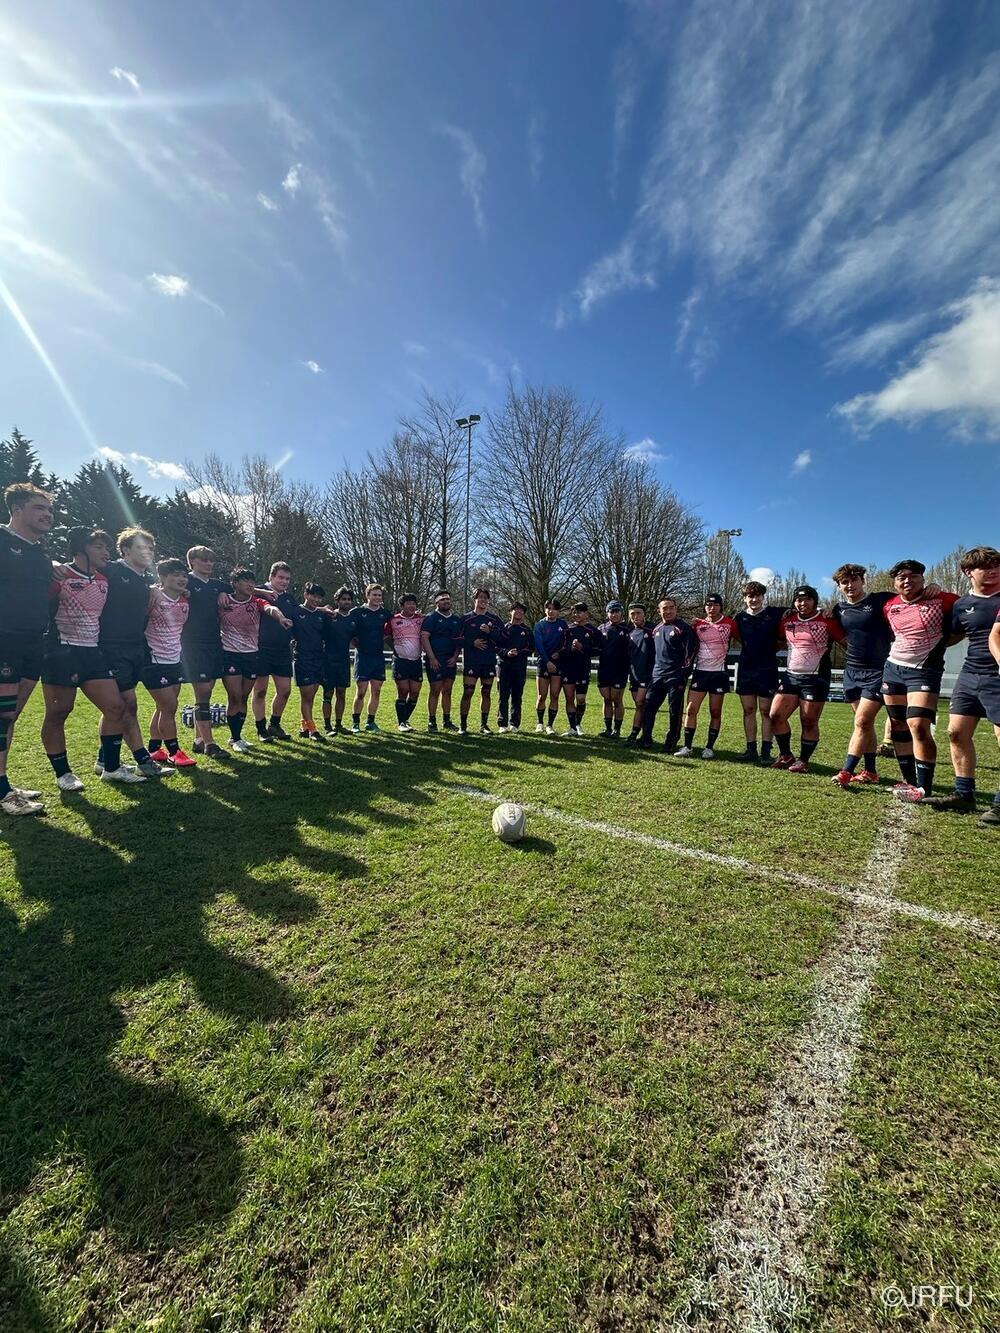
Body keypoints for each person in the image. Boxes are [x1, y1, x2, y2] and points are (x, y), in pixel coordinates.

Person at [40, 528, 136, 790]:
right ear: (81, 549)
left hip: (93, 653)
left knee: (115, 708)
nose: (106, 552)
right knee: (59, 712)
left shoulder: (104, 579)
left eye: (107, 547)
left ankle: (111, 768)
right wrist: (53, 566)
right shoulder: (60, 575)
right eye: (99, 547)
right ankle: (63, 774)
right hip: (61, 652)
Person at [922, 547, 1000, 825]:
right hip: (971, 674)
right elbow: (953, 634)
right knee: (956, 733)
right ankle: (964, 794)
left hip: (997, 676)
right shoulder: (961, 605)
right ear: (968, 572)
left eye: (996, 565)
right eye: (985, 566)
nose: (993, 570)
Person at [93, 527, 173, 779]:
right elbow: (77, 567)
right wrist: (56, 566)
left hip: (136, 647)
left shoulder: (143, 579)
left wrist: (154, 588)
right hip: (111, 648)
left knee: (117, 708)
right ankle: (143, 760)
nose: (147, 552)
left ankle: (104, 760)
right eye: (140, 547)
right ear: (125, 550)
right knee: (126, 705)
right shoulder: (112, 569)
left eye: (150, 548)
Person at [880, 559, 960, 802]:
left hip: (924, 671)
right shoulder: (890, 606)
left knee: (918, 725)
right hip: (893, 669)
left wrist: (937, 646)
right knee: (898, 725)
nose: (907, 581)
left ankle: (925, 786)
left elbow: (961, 629)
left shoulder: (944, 599)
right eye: (901, 577)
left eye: (913, 576)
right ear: (895, 582)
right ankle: (909, 781)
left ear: (923, 579)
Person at [0, 482, 56, 815]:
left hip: (34, 641)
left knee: (10, 716)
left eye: (49, 509)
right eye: (39, 508)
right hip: (4, 640)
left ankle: (2, 782)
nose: (47, 515)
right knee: (1, 716)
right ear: (16, 509)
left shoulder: (41, 554)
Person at [829, 564, 898, 789]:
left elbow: (910, 598)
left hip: (878, 671)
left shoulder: (880, 600)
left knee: (861, 721)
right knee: (865, 724)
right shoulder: (838, 609)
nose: (850, 585)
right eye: (844, 582)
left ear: (863, 581)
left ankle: (847, 771)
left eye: (854, 580)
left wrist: (932, 588)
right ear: (839, 586)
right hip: (852, 672)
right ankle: (870, 771)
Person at [768, 585, 845, 773]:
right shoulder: (787, 620)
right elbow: (778, 642)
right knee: (775, 715)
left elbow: (846, 642)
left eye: (807, 599)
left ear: (815, 601)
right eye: (799, 600)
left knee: (808, 721)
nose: (803, 603)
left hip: (816, 678)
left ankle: (803, 760)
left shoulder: (827, 620)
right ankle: (786, 755)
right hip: (791, 676)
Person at [218, 568, 292, 752]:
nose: (250, 585)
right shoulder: (224, 600)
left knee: (243, 697)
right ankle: (235, 738)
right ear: (235, 583)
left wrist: (281, 618)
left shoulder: (256, 601)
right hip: (229, 654)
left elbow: (270, 608)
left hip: (251, 655)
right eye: (245, 581)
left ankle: (238, 736)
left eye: (252, 581)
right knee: (234, 697)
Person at [144, 559, 196, 767]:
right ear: (163, 577)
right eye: (175, 575)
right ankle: (175, 752)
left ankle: (154, 749)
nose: (181, 579)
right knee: (170, 706)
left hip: (175, 659)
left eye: (184, 575)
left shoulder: (184, 601)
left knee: (163, 707)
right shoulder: (153, 596)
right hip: (154, 659)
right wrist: (152, 589)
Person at [180, 546, 230, 757]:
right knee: (203, 692)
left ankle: (198, 739)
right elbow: (161, 586)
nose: (209, 564)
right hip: (193, 644)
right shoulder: (186, 581)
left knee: (207, 690)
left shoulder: (217, 585)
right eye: (204, 560)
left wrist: (224, 592)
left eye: (211, 560)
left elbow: (242, 588)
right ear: (192, 561)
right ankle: (210, 744)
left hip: (214, 643)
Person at [676, 594, 739, 759]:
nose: (712, 608)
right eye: (709, 605)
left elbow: (743, 640)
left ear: (720, 606)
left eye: (715, 605)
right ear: (705, 607)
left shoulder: (730, 623)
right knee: (691, 710)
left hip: (719, 673)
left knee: (715, 712)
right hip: (700, 673)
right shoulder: (698, 624)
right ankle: (687, 746)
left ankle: (709, 748)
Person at [734, 581, 784, 763]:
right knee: (748, 710)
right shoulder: (739, 618)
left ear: (763, 597)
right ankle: (751, 750)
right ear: (745, 598)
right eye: (750, 596)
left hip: (767, 670)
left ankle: (766, 752)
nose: (754, 599)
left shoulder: (775, 614)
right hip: (746, 669)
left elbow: (800, 610)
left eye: (757, 596)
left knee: (766, 711)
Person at [639, 597, 699, 751]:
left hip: (675, 677)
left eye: (671, 607)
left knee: (674, 712)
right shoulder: (656, 629)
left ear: (676, 609)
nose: (668, 611)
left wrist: (683, 674)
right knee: (648, 707)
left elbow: (691, 652)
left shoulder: (684, 628)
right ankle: (646, 739)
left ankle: (671, 742)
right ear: (659, 611)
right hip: (657, 676)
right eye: (664, 608)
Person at [252, 562, 300, 742]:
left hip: (282, 650)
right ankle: (261, 728)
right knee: (260, 691)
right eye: (280, 577)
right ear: (271, 576)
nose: (284, 581)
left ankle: (274, 724)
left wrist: (321, 610)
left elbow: (300, 612)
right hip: (261, 649)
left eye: (287, 579)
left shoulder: (289, 598)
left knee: (285, 691)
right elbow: (239, 590)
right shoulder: (259, 592)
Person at [460, 588, 505, 734]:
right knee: (468, 692)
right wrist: (472, 642)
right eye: (480, 597)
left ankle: (484, 725)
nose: (483, 600)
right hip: (472, 661)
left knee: (486, 692)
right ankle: (463, 725)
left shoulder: (495, 619)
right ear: (475, 599)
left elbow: (502, 639)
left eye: (486, 598)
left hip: (488, 661)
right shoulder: (466, 618)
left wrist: (490, 632)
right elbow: (457, 639)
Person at [558, 603, 605, 736]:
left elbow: (598, 650)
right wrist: (571, 649)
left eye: (579, 612)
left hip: (583, 669)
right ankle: (572, 728)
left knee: (580, 699)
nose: (576, 615)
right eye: (574, 612)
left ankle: (578, 724)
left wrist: (582, 647)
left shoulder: (593, 631)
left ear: (586, 614)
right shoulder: (568, 630)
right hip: (568, 668)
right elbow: (561, 649)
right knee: (569, 699)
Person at [351, 583, 392, 733]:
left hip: (378, 656)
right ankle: (356, 723)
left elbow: (394, 628)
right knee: (361, 691)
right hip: (363, 657)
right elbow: (348, 628)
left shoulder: (385, 613)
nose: (377, 597)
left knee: (376, 691)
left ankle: (370, 722)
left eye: (379, 595)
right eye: (374, 595)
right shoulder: (357, 612)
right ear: (367, 595)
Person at [420, 591, 463, 732]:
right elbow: (424, 637)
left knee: (448, 690)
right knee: (435, 690)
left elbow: (459, 641)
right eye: (443, 599)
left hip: (450, 660)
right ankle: (432, 721)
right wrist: (432, 658)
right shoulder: (431, 618)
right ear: (436, 602)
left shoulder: (456, 620)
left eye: (448, 599)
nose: (446, 601)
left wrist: (455, 656)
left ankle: (447, 720)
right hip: (435, 660)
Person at [294, 582, 330, 742]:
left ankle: (304, 726)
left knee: (311, 695)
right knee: (307, 695)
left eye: (319, 597)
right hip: (303, 659)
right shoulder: (296, 611)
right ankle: (312, 730)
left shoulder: (321, 615)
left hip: (318, 659)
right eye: (313, 596)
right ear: (306, 595)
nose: (316, 600)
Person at [321, 587, 357, 736]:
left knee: (341, 693)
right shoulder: (329, 616)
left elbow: (356, 639)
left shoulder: (353, 619)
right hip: (328, 660)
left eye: (349, 599)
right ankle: (327, 726)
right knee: (328, 694)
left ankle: (338, 724)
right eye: (343, 599)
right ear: (337, 600)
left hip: (343, 661)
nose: (346, 602)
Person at [386, 593, 424, 732]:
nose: (411, 606)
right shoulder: (393, 620)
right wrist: (395, 648)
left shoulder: (421, 619)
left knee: (415, 693)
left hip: (416, 660)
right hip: (401, 660)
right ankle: (401, 723)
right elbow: (386, 636)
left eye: (413, 603)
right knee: (403, 691)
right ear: (402, 606)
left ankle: (405, 719)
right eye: (408, 603)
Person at [497, 603, 533, 731]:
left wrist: (519, 652)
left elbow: (531, 648)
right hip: (504, 667)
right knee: (503, 696)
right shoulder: (503, 629)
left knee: (517, 696)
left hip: (520, 667)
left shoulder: (527, 631)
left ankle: (515, 724)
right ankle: (502, 724)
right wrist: (506, 653)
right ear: (510, 611)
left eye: (521, 611)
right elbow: (496, 646)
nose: (519, 612)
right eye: (516, 610)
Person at [533, 599, 567, 735]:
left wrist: (560, 653)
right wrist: (547, 662)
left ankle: (550, 725)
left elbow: (566, 642)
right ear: (545, 610)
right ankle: (540, 723)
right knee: (542, 696)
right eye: (549, 608)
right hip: (543, 663)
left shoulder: (563, 625)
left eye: (554, 609)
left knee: (554, 696)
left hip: (558, 664)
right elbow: (539, 645)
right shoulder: (539, 625)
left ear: (558, 611)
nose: (551, 611)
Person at [597, 601, 631, 738]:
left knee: (617, 699)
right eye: (611, 612)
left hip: (620, 670)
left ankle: (617, 730)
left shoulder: (628, 629)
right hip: (604, 669)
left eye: (617, 611)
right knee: (606, 699)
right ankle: (607, 728)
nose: (614, 614)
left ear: (621, 613)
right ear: (607, 613)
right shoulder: (601, 628)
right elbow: (594, 647)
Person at [624, 604, 655, 745]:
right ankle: (643, 735)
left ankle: (636, 734)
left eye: (638, 613)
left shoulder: (653, 629)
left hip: (648, 675)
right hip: (634, 675)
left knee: (641, 703)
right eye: (632, 614)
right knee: (639, 706)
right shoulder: (629, 631)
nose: (635, 616)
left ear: (644, 614)